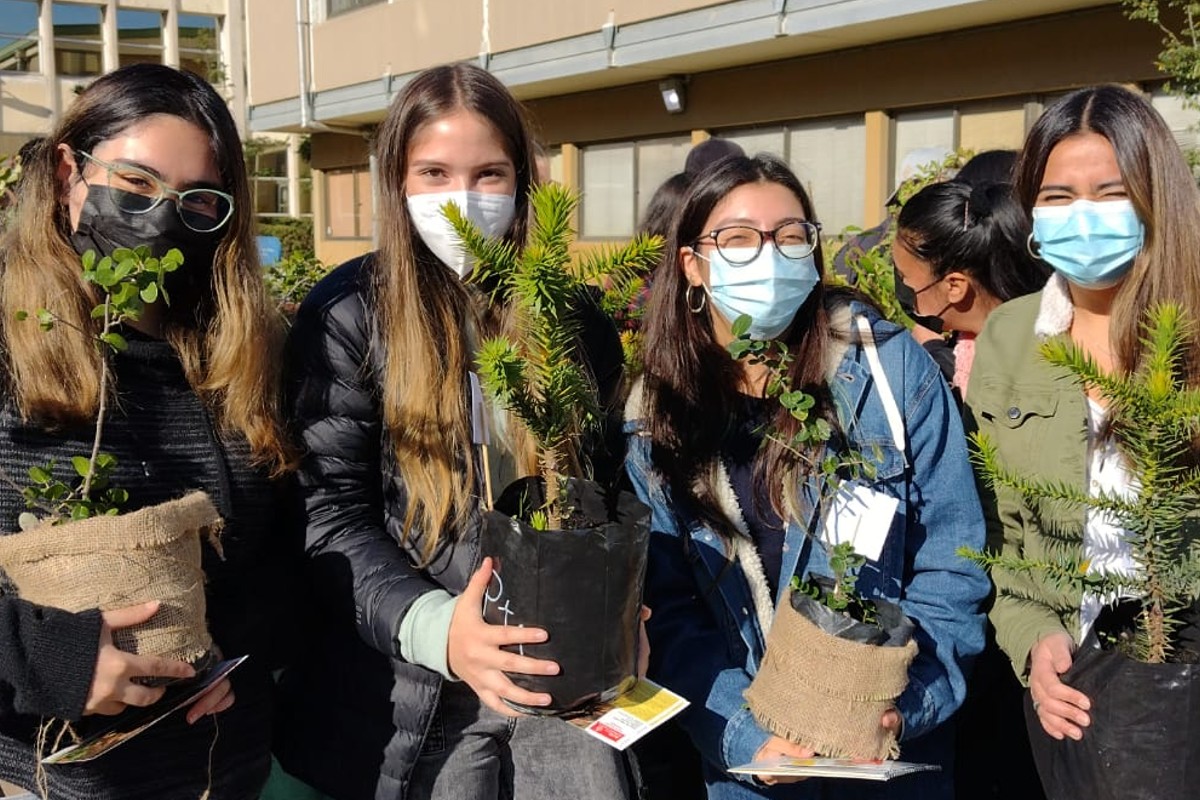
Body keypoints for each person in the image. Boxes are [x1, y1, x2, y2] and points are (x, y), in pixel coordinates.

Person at [277, 62, 629, 800]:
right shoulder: (349, 315)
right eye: (433, 172)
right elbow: (326, 515)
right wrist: (440, 631)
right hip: (412, 690)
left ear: (523, 183)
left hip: (554, 674)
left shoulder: (573, 319)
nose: (462, 199)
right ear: (396, 183)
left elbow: (604, 488)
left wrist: (617, 611)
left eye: (489, 174)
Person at [625, 153, 988, 799]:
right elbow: (668, 610)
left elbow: (952, 559)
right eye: (737, 239)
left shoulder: (887, 373)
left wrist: (905, 704)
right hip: (753, 771)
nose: (769, 255)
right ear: (692, 264)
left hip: (884, 756)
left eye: (790, 236)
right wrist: (743, 733)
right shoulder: (658, 417)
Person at [0, 63, 294, 799]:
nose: (162, 218)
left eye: (198, 201)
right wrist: (49, 659)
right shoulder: (10, 348)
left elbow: (282, 556)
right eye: (135, 186)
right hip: (41, 774)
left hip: (215, 768)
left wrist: (230, 657)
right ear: (69, 172)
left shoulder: (246, 361)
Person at [966, 84, 1200, 747]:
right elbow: (999, 534)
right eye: (1059, 197)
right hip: (1073, 696)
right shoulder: (1010, 336)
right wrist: (1031, 640)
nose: (1084, 216)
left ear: (1159, 200)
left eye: (1113, 192)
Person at [893, 180, 1049, 396]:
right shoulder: (979, 342)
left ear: (954, 286)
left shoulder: (1018, 375)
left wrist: (935, 357)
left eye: (904, 276)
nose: (901, 286)